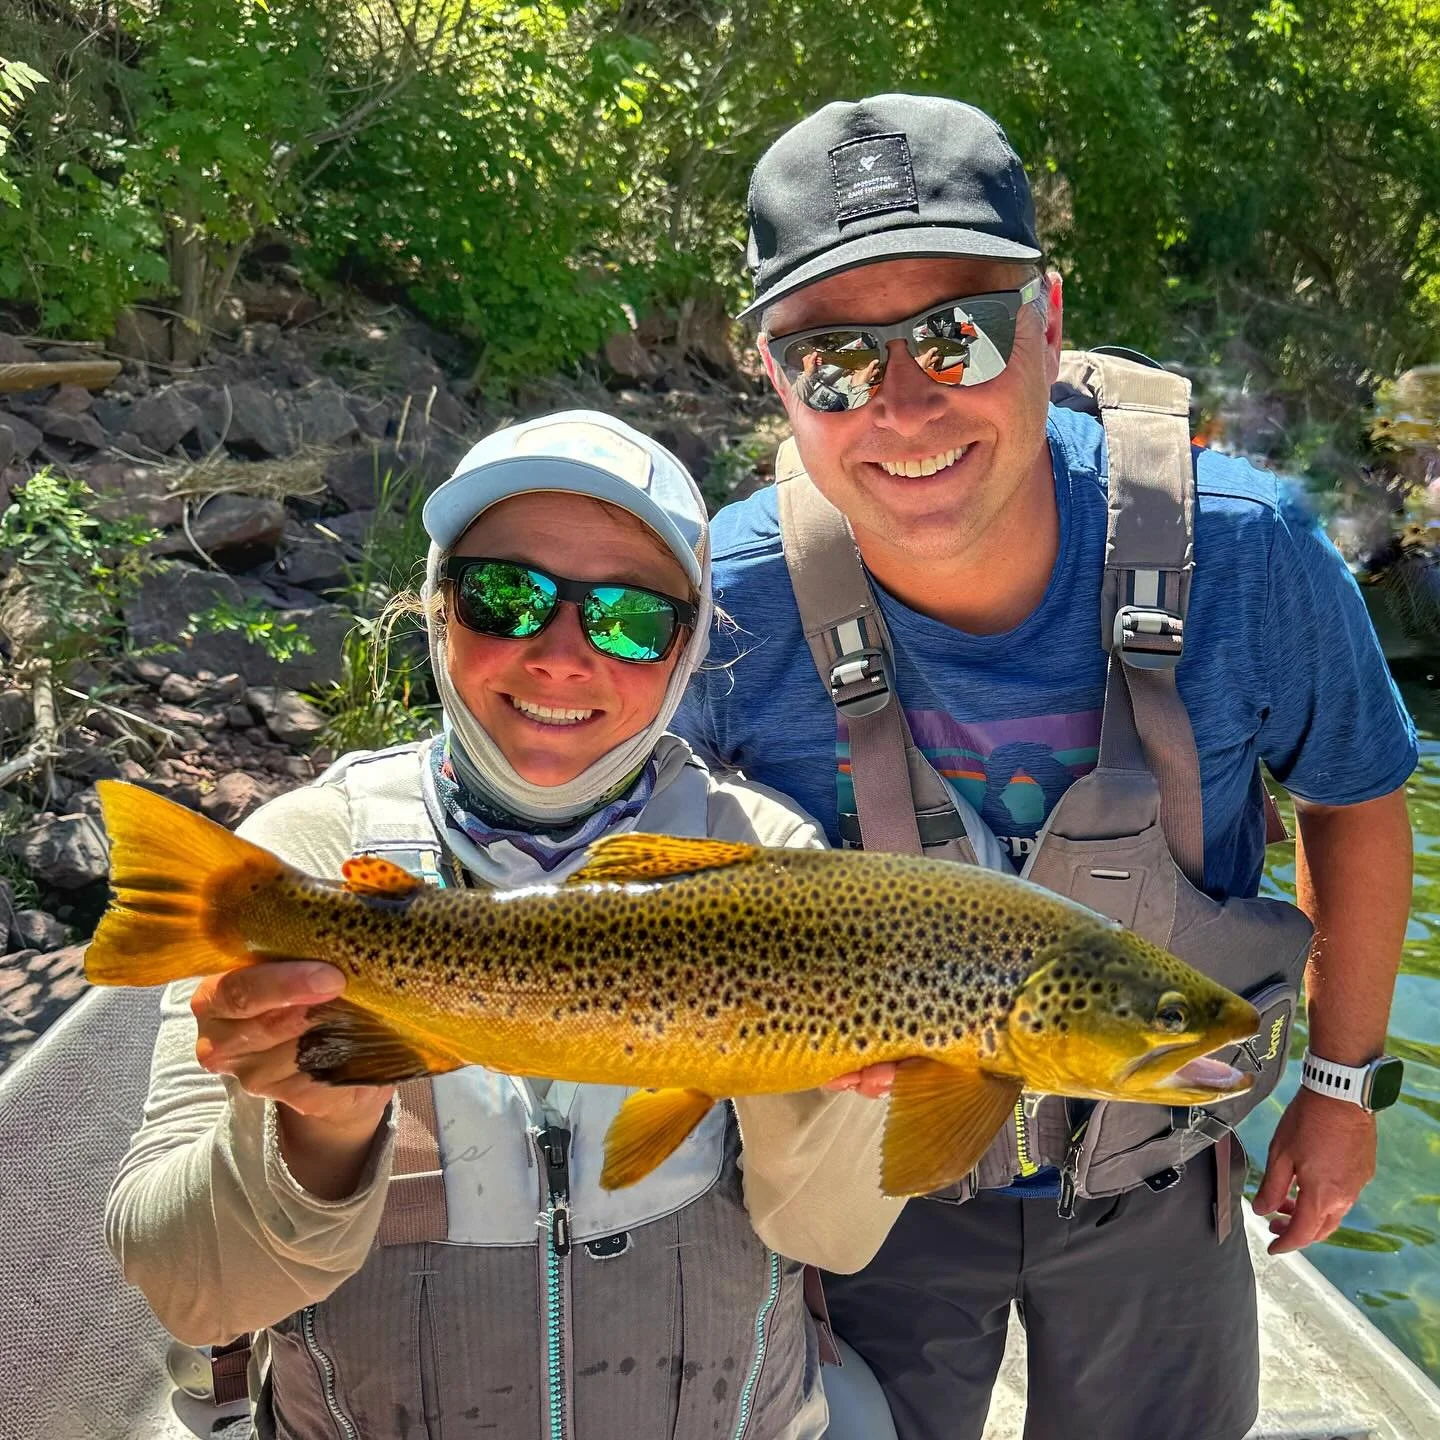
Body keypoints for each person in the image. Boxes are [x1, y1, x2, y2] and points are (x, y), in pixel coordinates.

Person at [673, 94, 1418, 1440]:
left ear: (1050, 318)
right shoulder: (718, 604)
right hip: (864, 1202)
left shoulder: (1246, 552)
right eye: (832, 361)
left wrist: (1341, 1086)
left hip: (1161, 1190)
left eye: (956, 334)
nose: (903, 403)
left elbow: (1356, 802)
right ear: (774, 380)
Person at [104, 410, 907, 1440]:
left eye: (628, 619)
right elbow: (187, 1297)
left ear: (688, 648)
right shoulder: (295, 860)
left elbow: (834, 1239)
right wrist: (314, 1129)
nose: (563, 655)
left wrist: (809, 1079)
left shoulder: (772, 861)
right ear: (438, 610)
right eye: (506, 597)